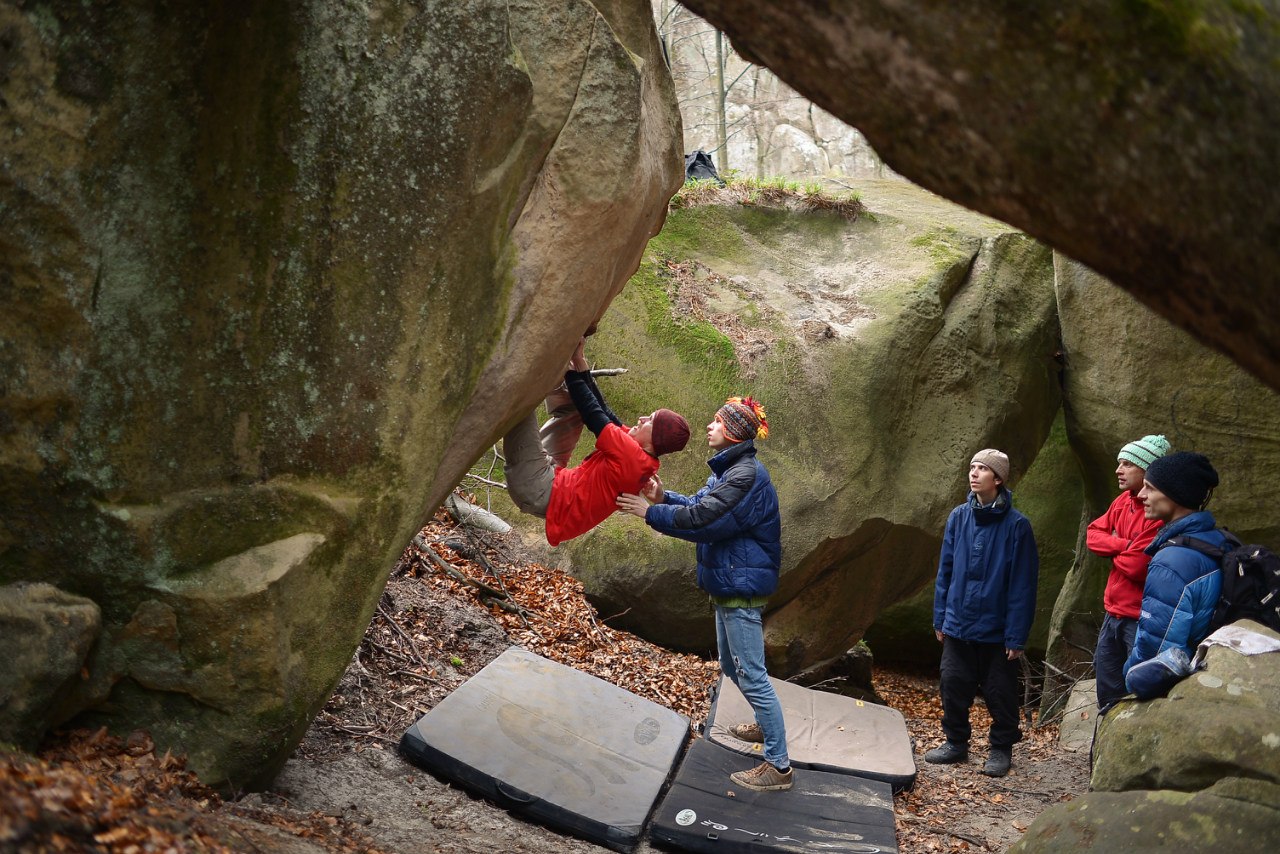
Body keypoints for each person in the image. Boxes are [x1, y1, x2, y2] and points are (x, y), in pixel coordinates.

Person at [616, 396, 790, 791]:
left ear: (731, 432)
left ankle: (779, 766)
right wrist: (663, 498)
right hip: (727, 585)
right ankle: (765, 728)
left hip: (740, 588)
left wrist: (649, 513)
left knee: (752, 675)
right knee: (732, 668)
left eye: (715, 422)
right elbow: (699, 504)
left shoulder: (746, 476)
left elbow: (703, 521)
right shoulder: (729, 471)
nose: (709, 427)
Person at [503, 339, 690, 547]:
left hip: (538, 490)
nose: (642, 418)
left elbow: (594, 415)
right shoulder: (639, 453)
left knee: (519, 398)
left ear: (655, 438)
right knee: (573, 408)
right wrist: (578, 361)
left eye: (650, 421)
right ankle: (552, 373)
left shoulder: (633, 459)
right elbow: (605, 411)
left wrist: (568, 370)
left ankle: (544, 369)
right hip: (553, 478)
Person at [926, 449, 1039, 778]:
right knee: (952, 683)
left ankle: (1001, 747)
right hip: (958, 623)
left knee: (1000, 693)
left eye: (983, 469)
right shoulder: (958, 517)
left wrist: (1016, 635)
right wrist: (940, 618)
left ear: (998, 479)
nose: (974, 473)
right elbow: (945, 571)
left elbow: (1023, 585)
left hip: (997, 629)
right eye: (972, 467)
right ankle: (956, 743)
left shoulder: (1018, 527)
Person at [1086, 434, 1172, 714]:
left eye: (1126, 464)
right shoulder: (1122, 501)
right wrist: (1123, 545)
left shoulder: (1158, 512)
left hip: (1140, 619)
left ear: (1147, 470)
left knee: (1138, 691)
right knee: (1107, 690)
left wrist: (1112, 546)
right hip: (1112, 614)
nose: (1118, 470)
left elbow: (1138, 567)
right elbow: (1092, 535)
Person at [1122, 451, 1224, 685]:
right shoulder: (1216, 539)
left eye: (1150, 487)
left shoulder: (1172, 562)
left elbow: (1155, 651)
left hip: (1174, 685)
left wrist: (1130, 677)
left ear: (1175, 494)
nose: (1141, 495)